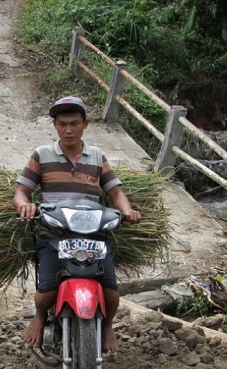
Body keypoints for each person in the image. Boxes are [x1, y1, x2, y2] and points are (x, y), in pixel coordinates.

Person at [13, 96, 141, 353]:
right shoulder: (42, 154)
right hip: (54, 233)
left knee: (111, 291)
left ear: (86, 124)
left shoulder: (96, 156)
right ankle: (40, 316)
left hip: (93, 234)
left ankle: (107, 327)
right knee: (47, 288)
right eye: (62, 124)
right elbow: (21, 192)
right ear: (55, 125)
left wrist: (126, 210)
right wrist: (24, 205)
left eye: (74, 123)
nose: (68, 129)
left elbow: (115, 192)